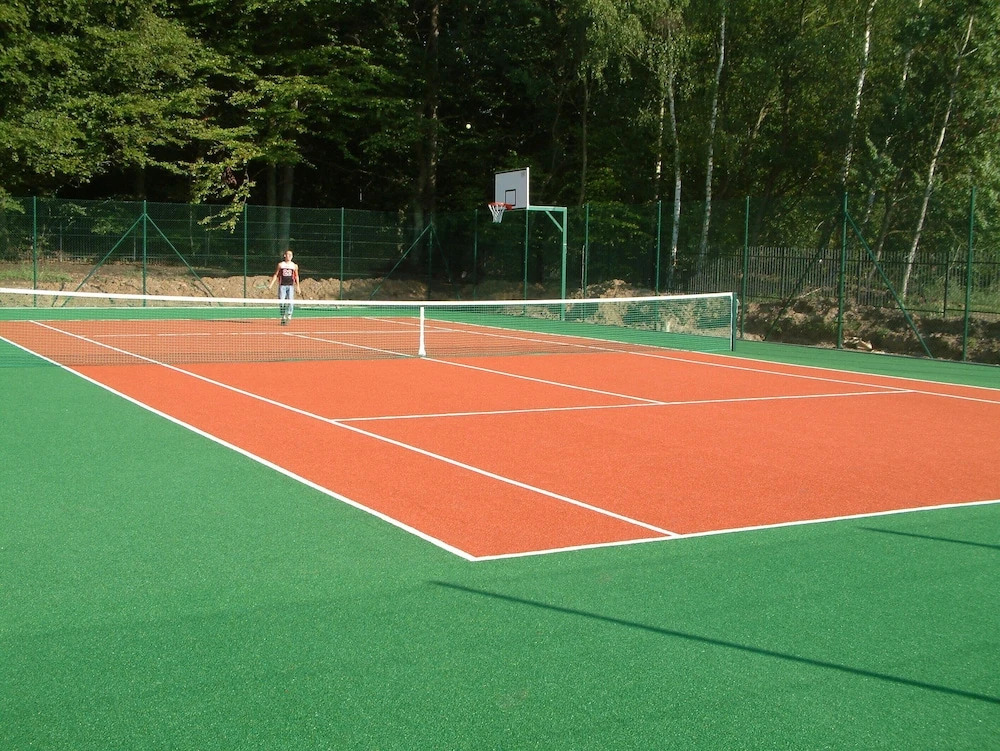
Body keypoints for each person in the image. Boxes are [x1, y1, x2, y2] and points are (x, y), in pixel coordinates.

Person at [268, 249, 301, 325]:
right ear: (285, 255)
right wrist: (271, 284)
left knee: (290, 301)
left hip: (290, 286)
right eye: (288, 254)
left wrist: (298, 286)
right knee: (282, 302)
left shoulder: (294, 266)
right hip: (282, 286)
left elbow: (296, 276)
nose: (289, 256)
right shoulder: (280, 265)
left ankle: (289, 315)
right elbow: (276, 275)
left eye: (291, 255)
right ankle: (283, 316)